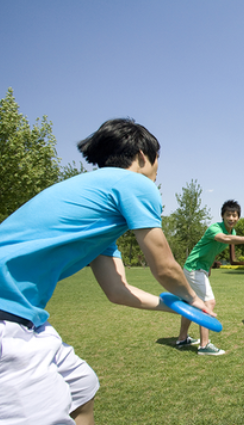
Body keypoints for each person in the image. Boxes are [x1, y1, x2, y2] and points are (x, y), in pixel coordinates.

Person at [0, 118, 208, 425]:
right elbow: (164, 266)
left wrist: (176, 307)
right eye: (156, 165)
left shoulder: (97, 212)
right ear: (141, 155)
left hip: (24, 319)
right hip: (7, 322)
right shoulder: (136, 184)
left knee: (81, 387)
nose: (155, 174)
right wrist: (194, 298)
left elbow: (118, 290)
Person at [175, 200, 244, 354]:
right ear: (222, 216)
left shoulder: (233, 233)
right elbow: (223, 239)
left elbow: (214, 249)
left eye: (234, 215)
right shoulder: (214, 228)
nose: (231, 218)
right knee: (208, 303)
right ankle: (204, 346)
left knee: (192, 304)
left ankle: (182, 338)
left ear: (238, 217)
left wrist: (209, 267)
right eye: (228, 215)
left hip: (197, 268)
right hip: (194, 268)